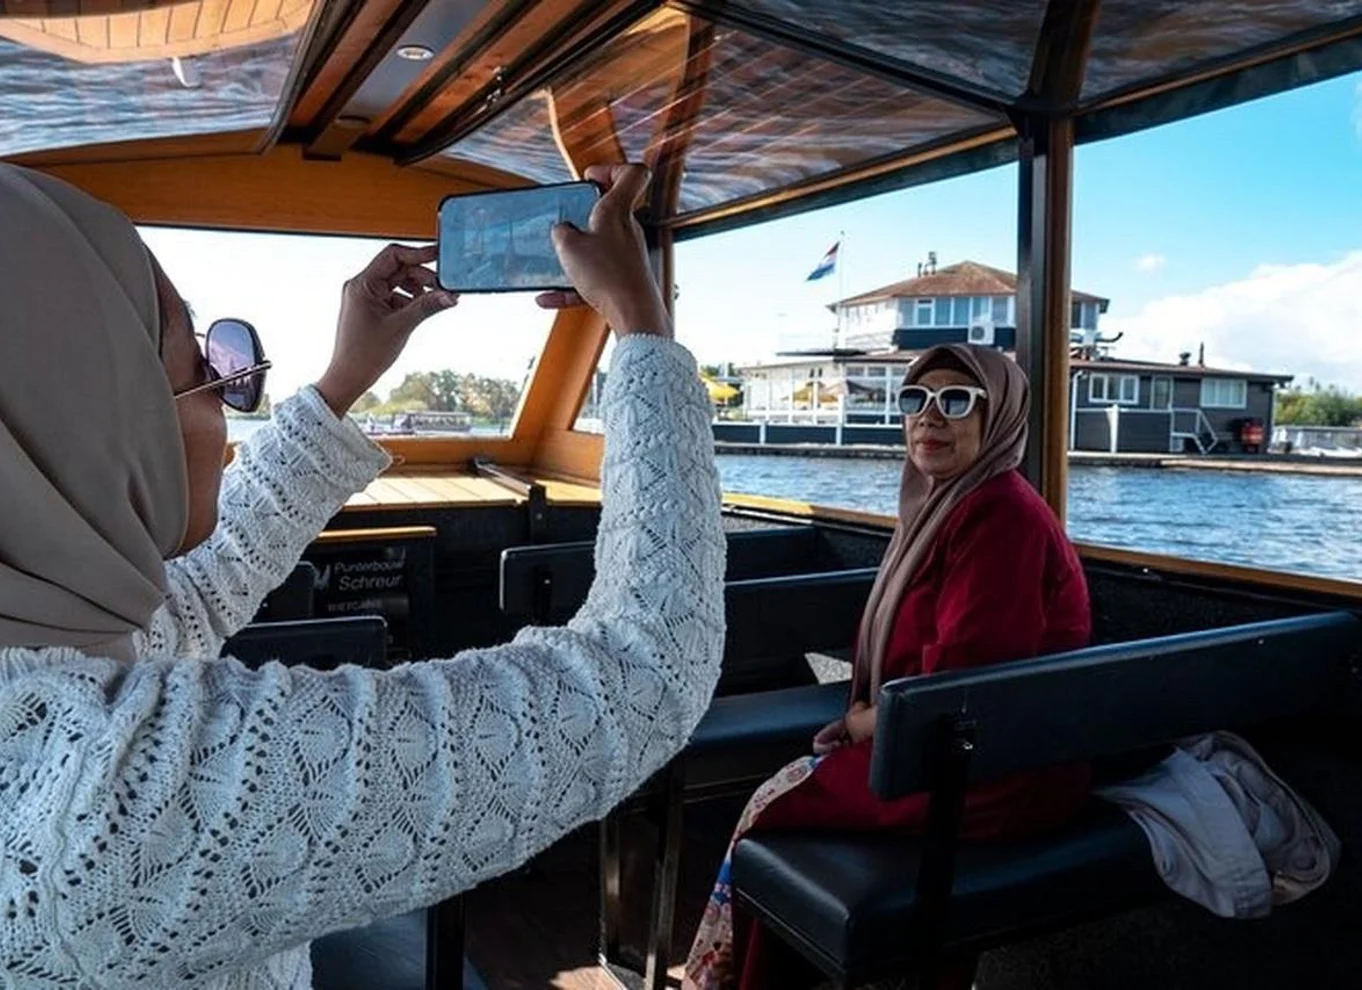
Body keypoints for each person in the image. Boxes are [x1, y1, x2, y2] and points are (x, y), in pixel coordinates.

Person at [0, 162, 726, 989]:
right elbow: (644, 674)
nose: (228, 393)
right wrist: (641, 328)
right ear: (95, 412)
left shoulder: (46, 639)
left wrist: (345, 378)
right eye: (200, 363)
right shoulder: (111, 800)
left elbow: (201, 585)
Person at [683, 344, 1092, 990]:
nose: (929, 416)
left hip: (990, 772)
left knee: (770, 805)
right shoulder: (946, 505)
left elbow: (959, 688)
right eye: (914, 399)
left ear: (999, 418)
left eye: (956, 401)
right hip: (948, 750)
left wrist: (861, 724)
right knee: (782, 804)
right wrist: (868, 723)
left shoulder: (999, 518)